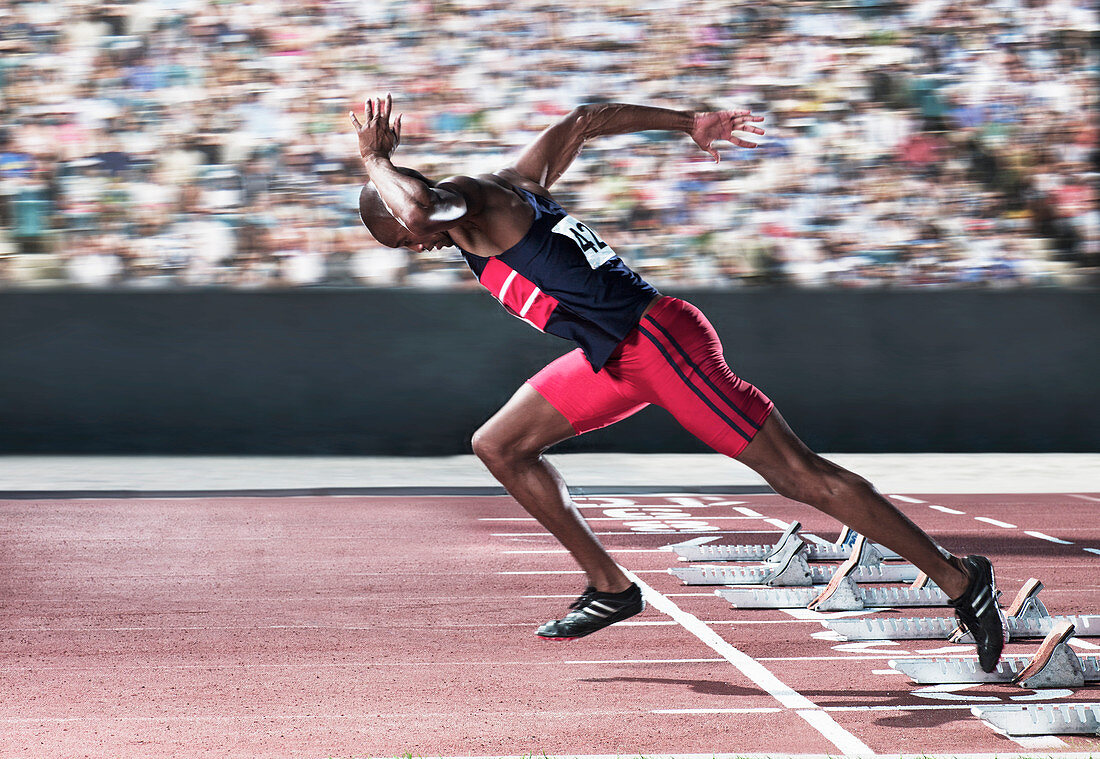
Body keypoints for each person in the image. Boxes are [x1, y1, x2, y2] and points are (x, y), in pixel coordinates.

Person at [350, 95, 1007, 672]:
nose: (417, 248)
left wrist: (376, 163)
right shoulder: (511, 184)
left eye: (404, 240)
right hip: (613, 356)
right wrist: (689, 122)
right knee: (500, 444)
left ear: (418, 196)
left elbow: (416, 213)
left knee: (800, 476)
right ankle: (610, 585)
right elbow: (587, 119)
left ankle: (960, 578)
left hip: (660, 343)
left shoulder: (465, 203)